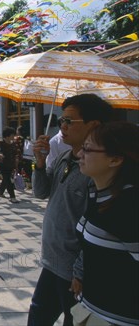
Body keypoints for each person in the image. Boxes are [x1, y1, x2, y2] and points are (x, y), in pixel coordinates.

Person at [29, 94, 113, 326]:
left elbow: (98, 223)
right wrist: (39, 161)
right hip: (52, 261)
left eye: (69, 121)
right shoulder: (66, 156)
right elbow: (41, 193)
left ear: (93, 125)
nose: (62, 127)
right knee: (38, 317)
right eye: (60, 121)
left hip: (75, 271)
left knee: (73, 320)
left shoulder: (97, 170)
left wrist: (81, 269)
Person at [70, 122, 138, 326]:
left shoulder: (129, 206)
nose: (79, 154)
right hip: (91, 310)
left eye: (88, 149)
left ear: (115, 159)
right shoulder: (99, 195)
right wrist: (80, 273)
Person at [0, 127, 20, 204]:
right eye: (12, 135)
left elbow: (15, 154)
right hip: (2, 163)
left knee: (6, 179)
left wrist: (16, 164)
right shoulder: (0, 143)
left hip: (11, 164)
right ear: (7, 136)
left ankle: (0, 191)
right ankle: (12, 197)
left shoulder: (13, 144)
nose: (14, 136)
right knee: (8, 179)